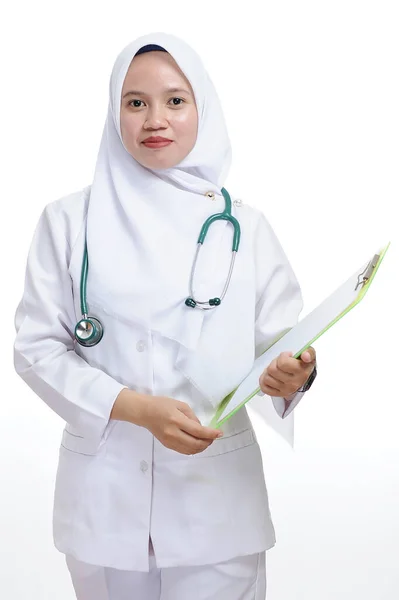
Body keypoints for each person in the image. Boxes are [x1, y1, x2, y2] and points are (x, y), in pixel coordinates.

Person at [13, 32, 317, 600]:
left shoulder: (244, 229)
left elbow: (284, 344)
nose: (156, 118)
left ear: (203, 107)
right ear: (115, 112)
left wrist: (294, 371)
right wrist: (131, 408)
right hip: (104, 503)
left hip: (216, 505)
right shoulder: (67, 222)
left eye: (176, 100)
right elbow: (36, 347)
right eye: (136, 102)